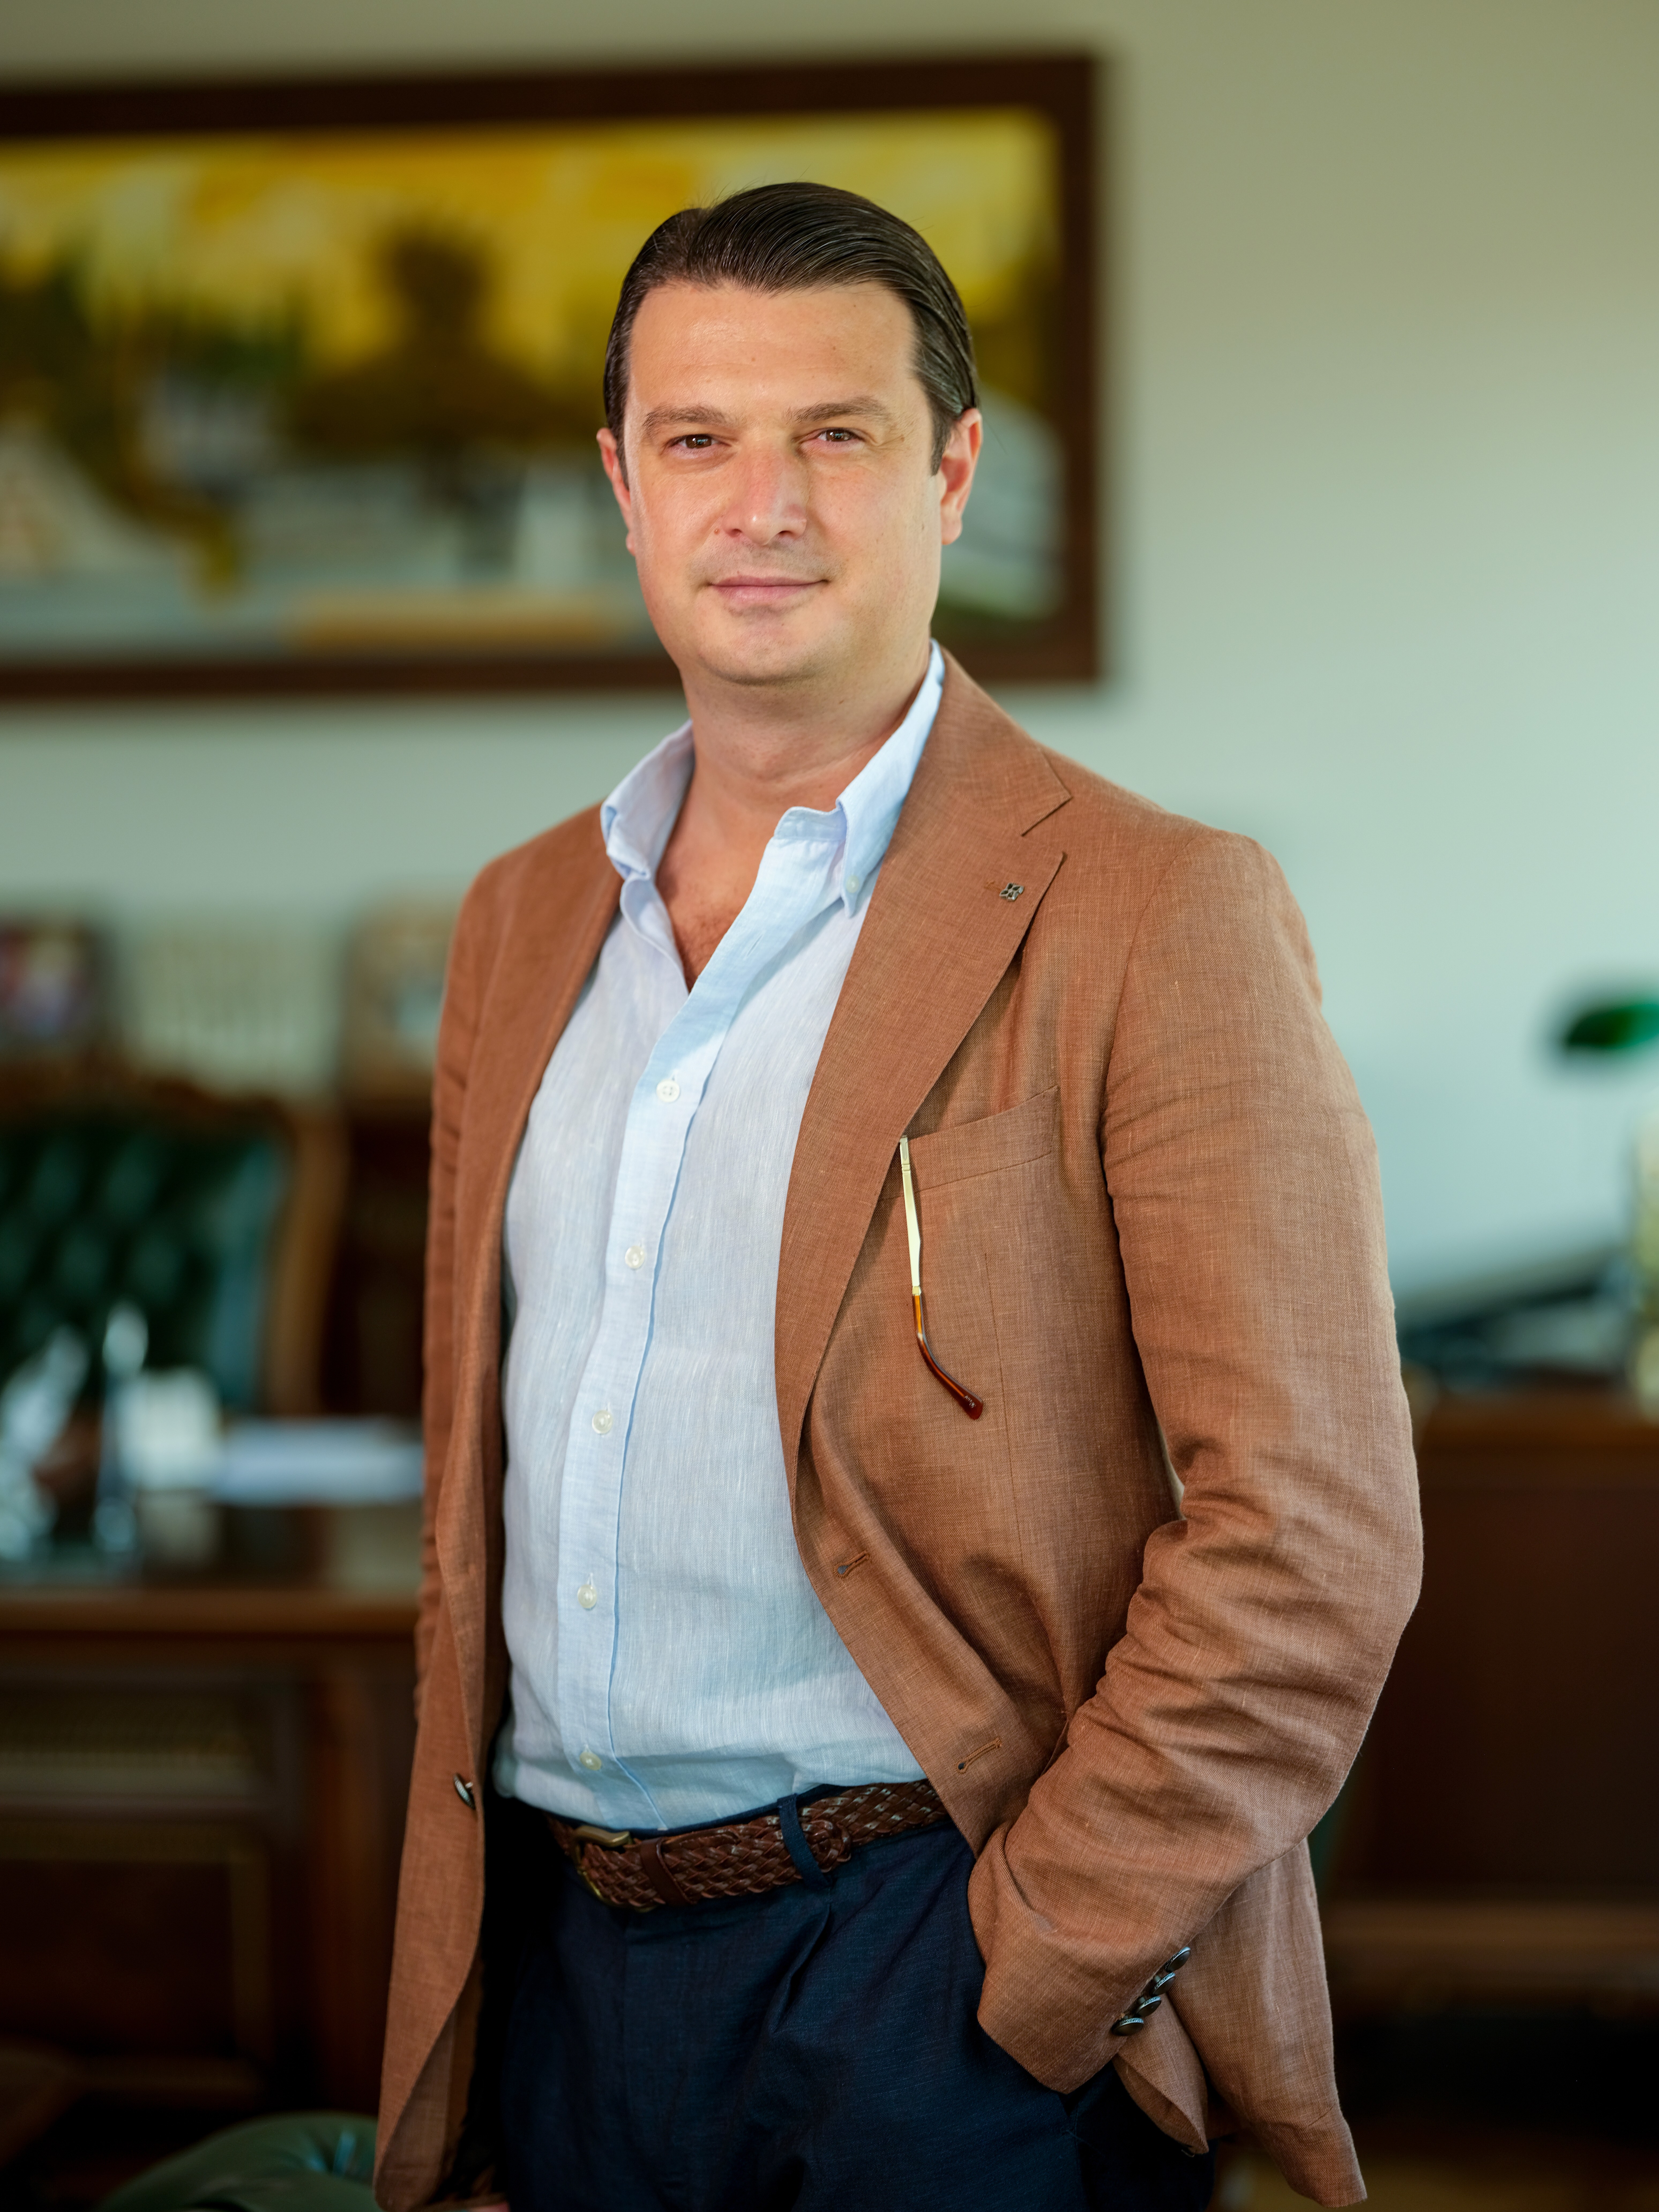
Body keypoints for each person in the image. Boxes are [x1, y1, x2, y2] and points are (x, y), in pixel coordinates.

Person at [373, 183, 1420, 2212]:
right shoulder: (518, 924)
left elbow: (1314, 1542)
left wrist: (1028, 1971)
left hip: (931, 1976)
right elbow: (465, 1495)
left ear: (951, 470)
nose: (761, 502)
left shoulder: (1158, 910)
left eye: (834, 436)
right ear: (622, 485)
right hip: (560, 1973)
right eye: (698, 441)